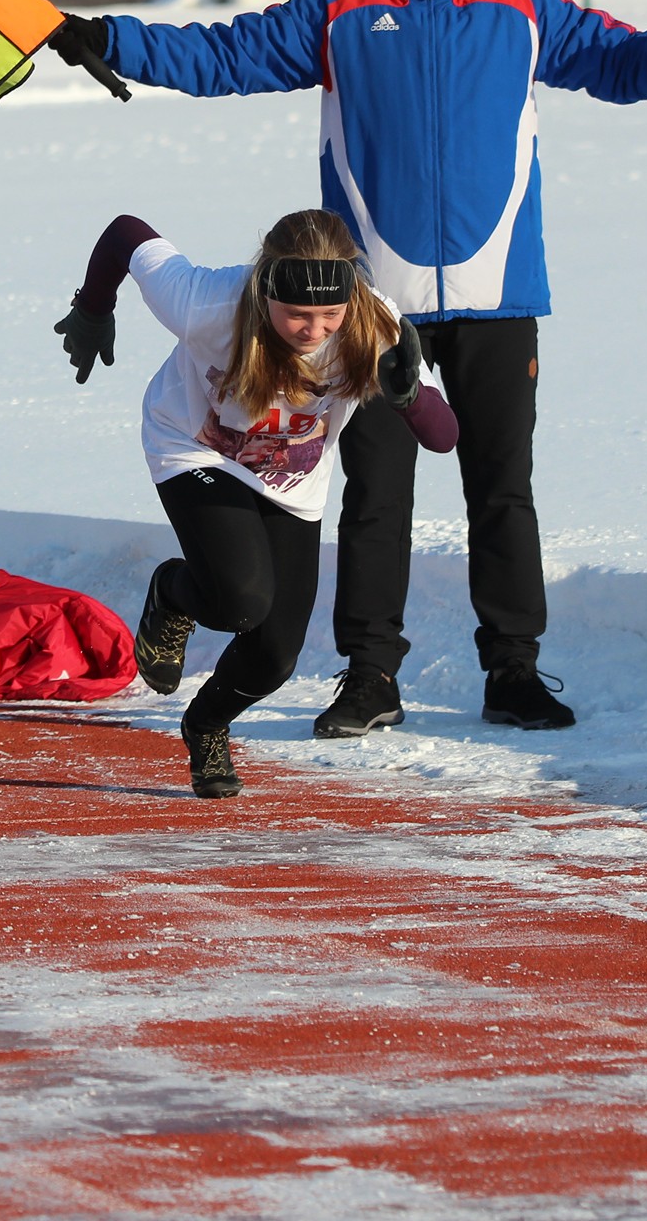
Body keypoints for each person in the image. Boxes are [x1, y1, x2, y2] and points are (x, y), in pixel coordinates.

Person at [48, 0, 647, 737]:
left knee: (502, 484)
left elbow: (622, 63)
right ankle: (369, 674)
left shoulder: (523, 9)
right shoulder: (341, 13)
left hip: (498, 294)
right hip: (371, 309)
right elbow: (225, 53)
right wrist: (115, 40)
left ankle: (513, 670)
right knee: (375, 491)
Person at [57, 210, 458, 798]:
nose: (314, 330)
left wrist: (408, 396)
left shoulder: (376, 327)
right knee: (241, 600)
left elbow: (444, 436)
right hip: (195, 450)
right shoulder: (204, 301)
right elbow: (123, 232)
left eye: (330, 315)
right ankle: (174, 590)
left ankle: (207, 723)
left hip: (292, 481)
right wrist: (94, 308)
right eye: (297, 313)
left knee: (274, 655)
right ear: (265, 286)